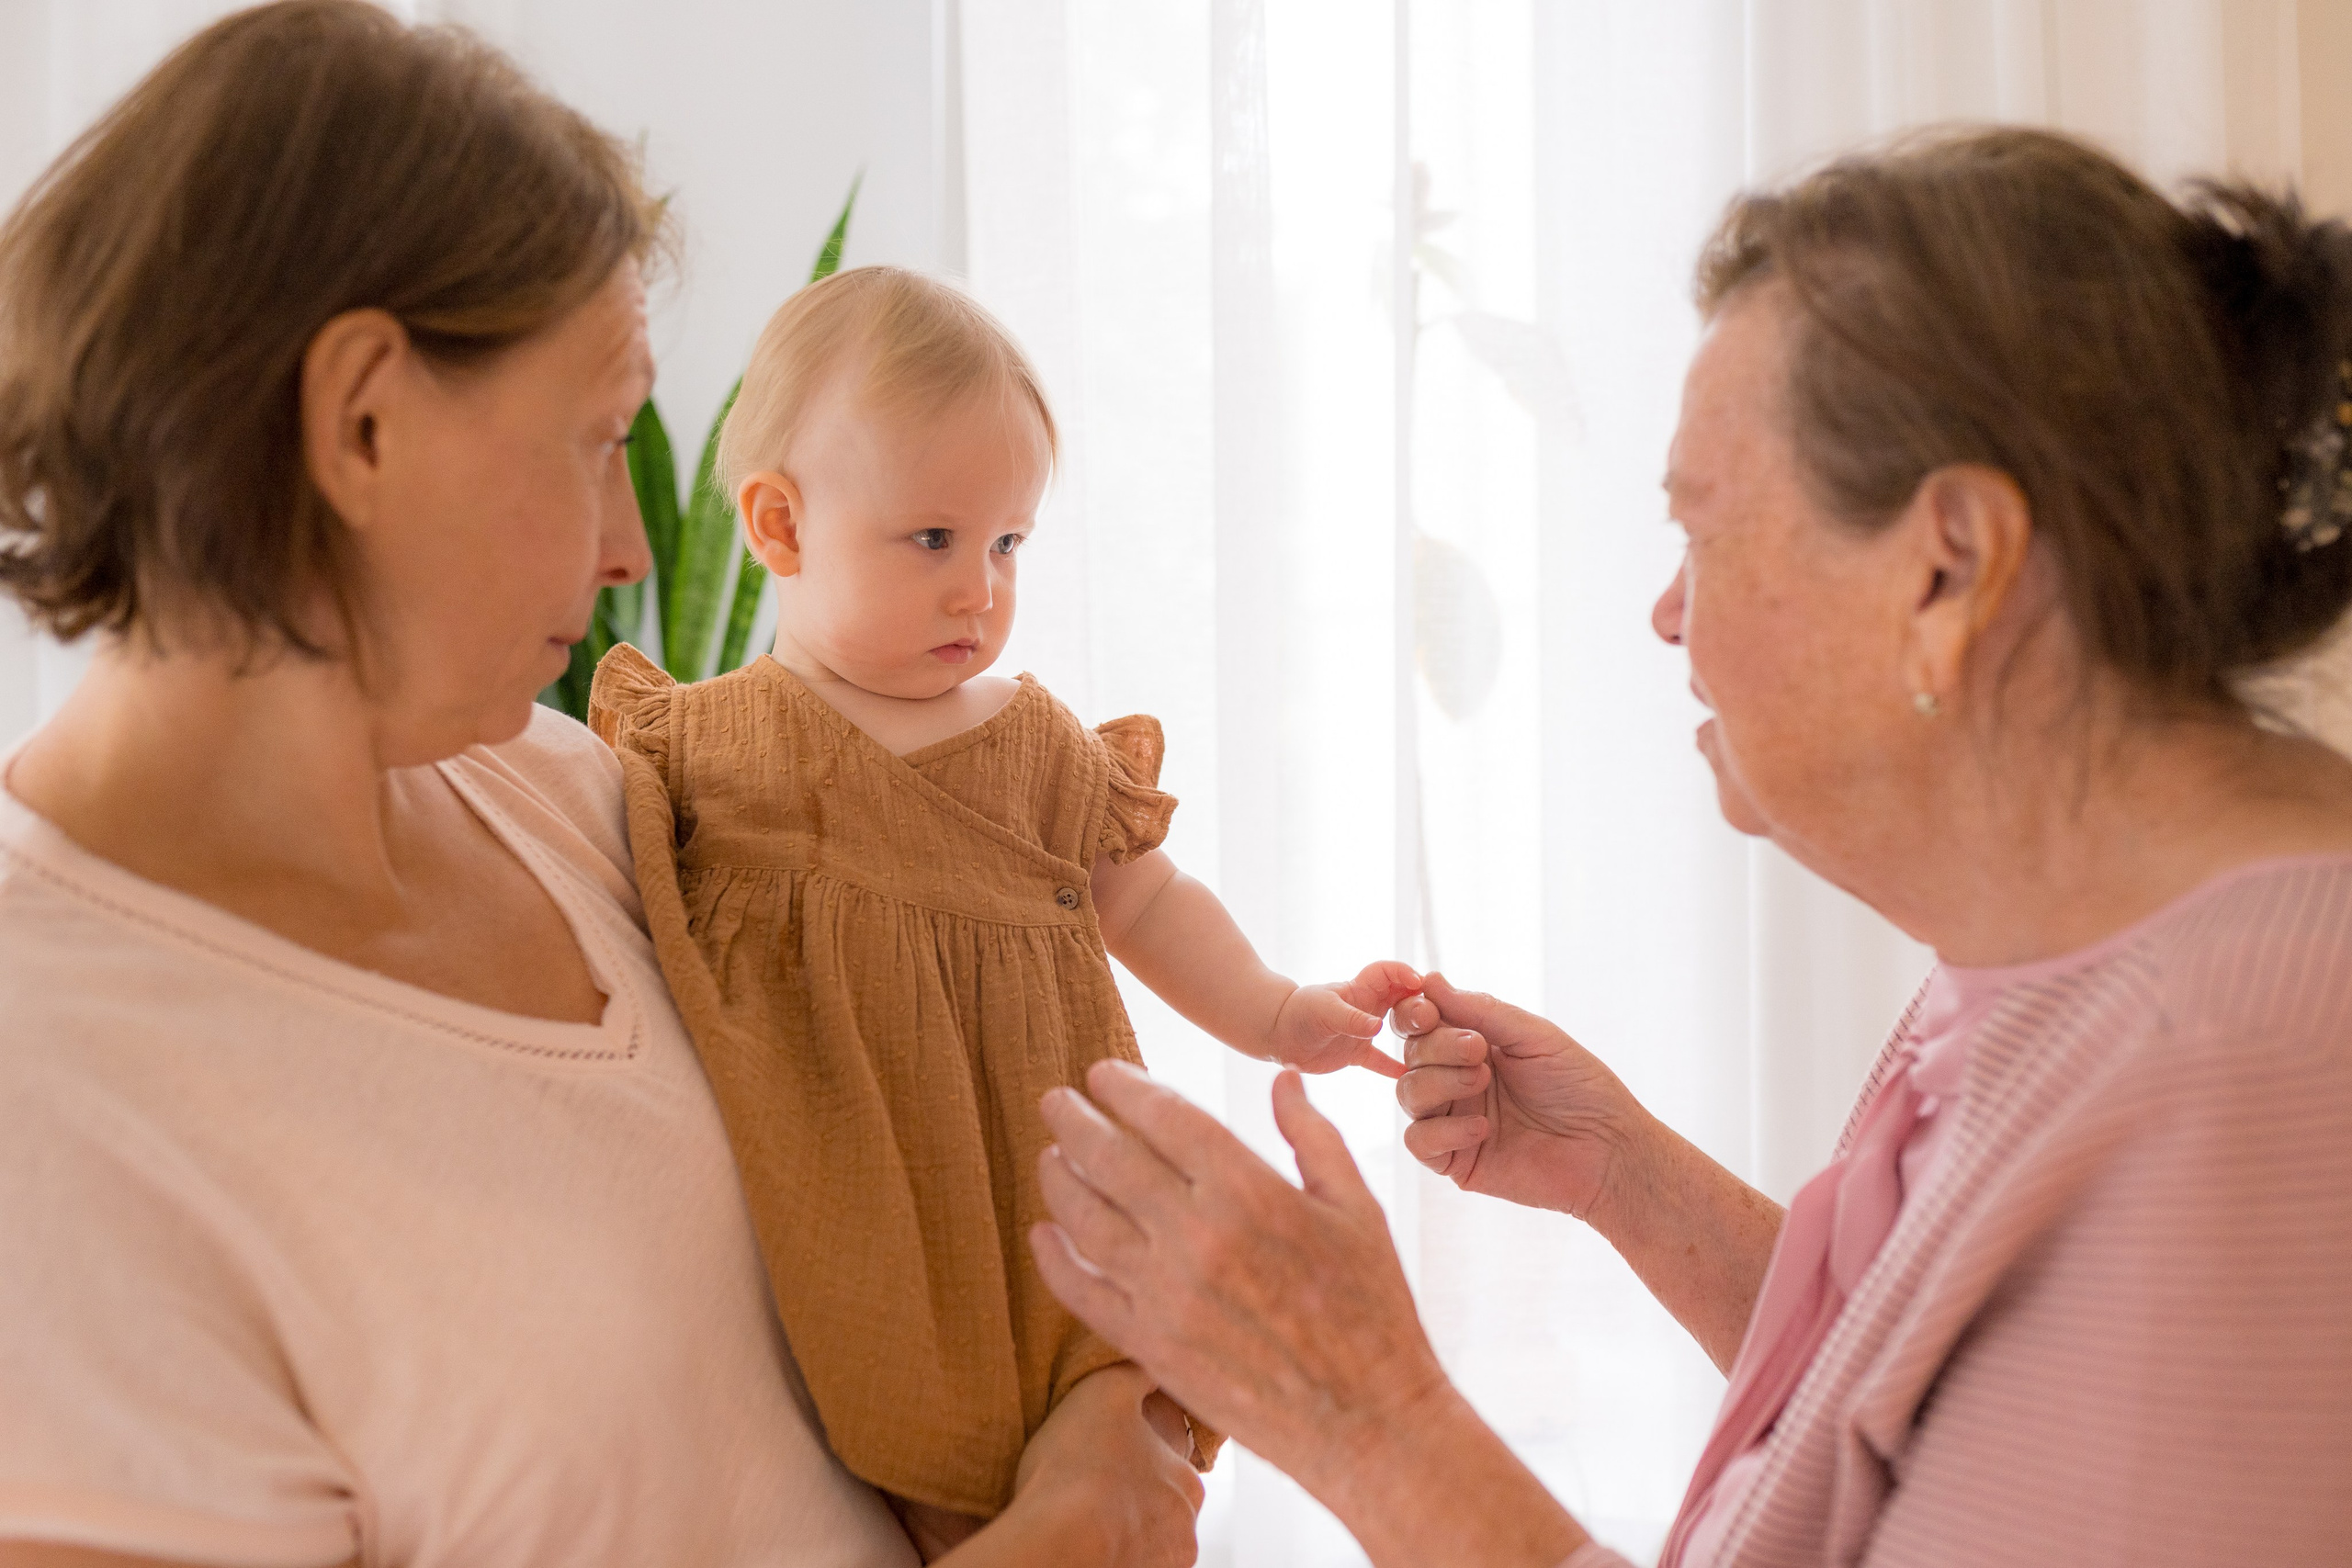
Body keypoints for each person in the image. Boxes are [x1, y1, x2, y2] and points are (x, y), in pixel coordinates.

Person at [1025, 126, 2352, 1566]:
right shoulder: (2091, 957)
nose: (1668, 613)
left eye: (1705, 532)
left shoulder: (2253, 1077)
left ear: (1946, 568)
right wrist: (1627, 1177)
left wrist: (1366, 1420)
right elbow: (1940, 1424)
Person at [0, 6, 1197, 1566]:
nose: (636, 549)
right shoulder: (55, 1105)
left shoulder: (586, 798)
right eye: (594, 441)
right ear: (361, 420)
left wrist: (1103, 1411)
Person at [587, 263, 1419, 1558]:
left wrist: (1275, 1011)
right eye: (933, 540)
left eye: (1008, 543)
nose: (981, 587)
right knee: (900, 1456)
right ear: (780, 527)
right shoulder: (710, 748)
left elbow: (1145, 898)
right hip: (867, 1205)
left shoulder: (1036, 743)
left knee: (1128, 1430)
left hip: (1053, 1184)